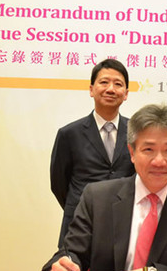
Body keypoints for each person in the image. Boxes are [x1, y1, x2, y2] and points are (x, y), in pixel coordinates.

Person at [41, 103, 167, 271]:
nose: (159, 161)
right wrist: (61, 268)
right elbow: (72, 252)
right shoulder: (97, 197)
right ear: (132, 152)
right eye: (148, 149)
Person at [50, 59, 135, 246]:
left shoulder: (137, 133)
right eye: (104, 82)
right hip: (79, 225)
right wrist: (82, 205)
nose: (111, 89)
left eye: (118, 84)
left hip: (124, 225)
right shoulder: (69, 134)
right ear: (91, 89)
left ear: (126, 94)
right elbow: (59, 184)